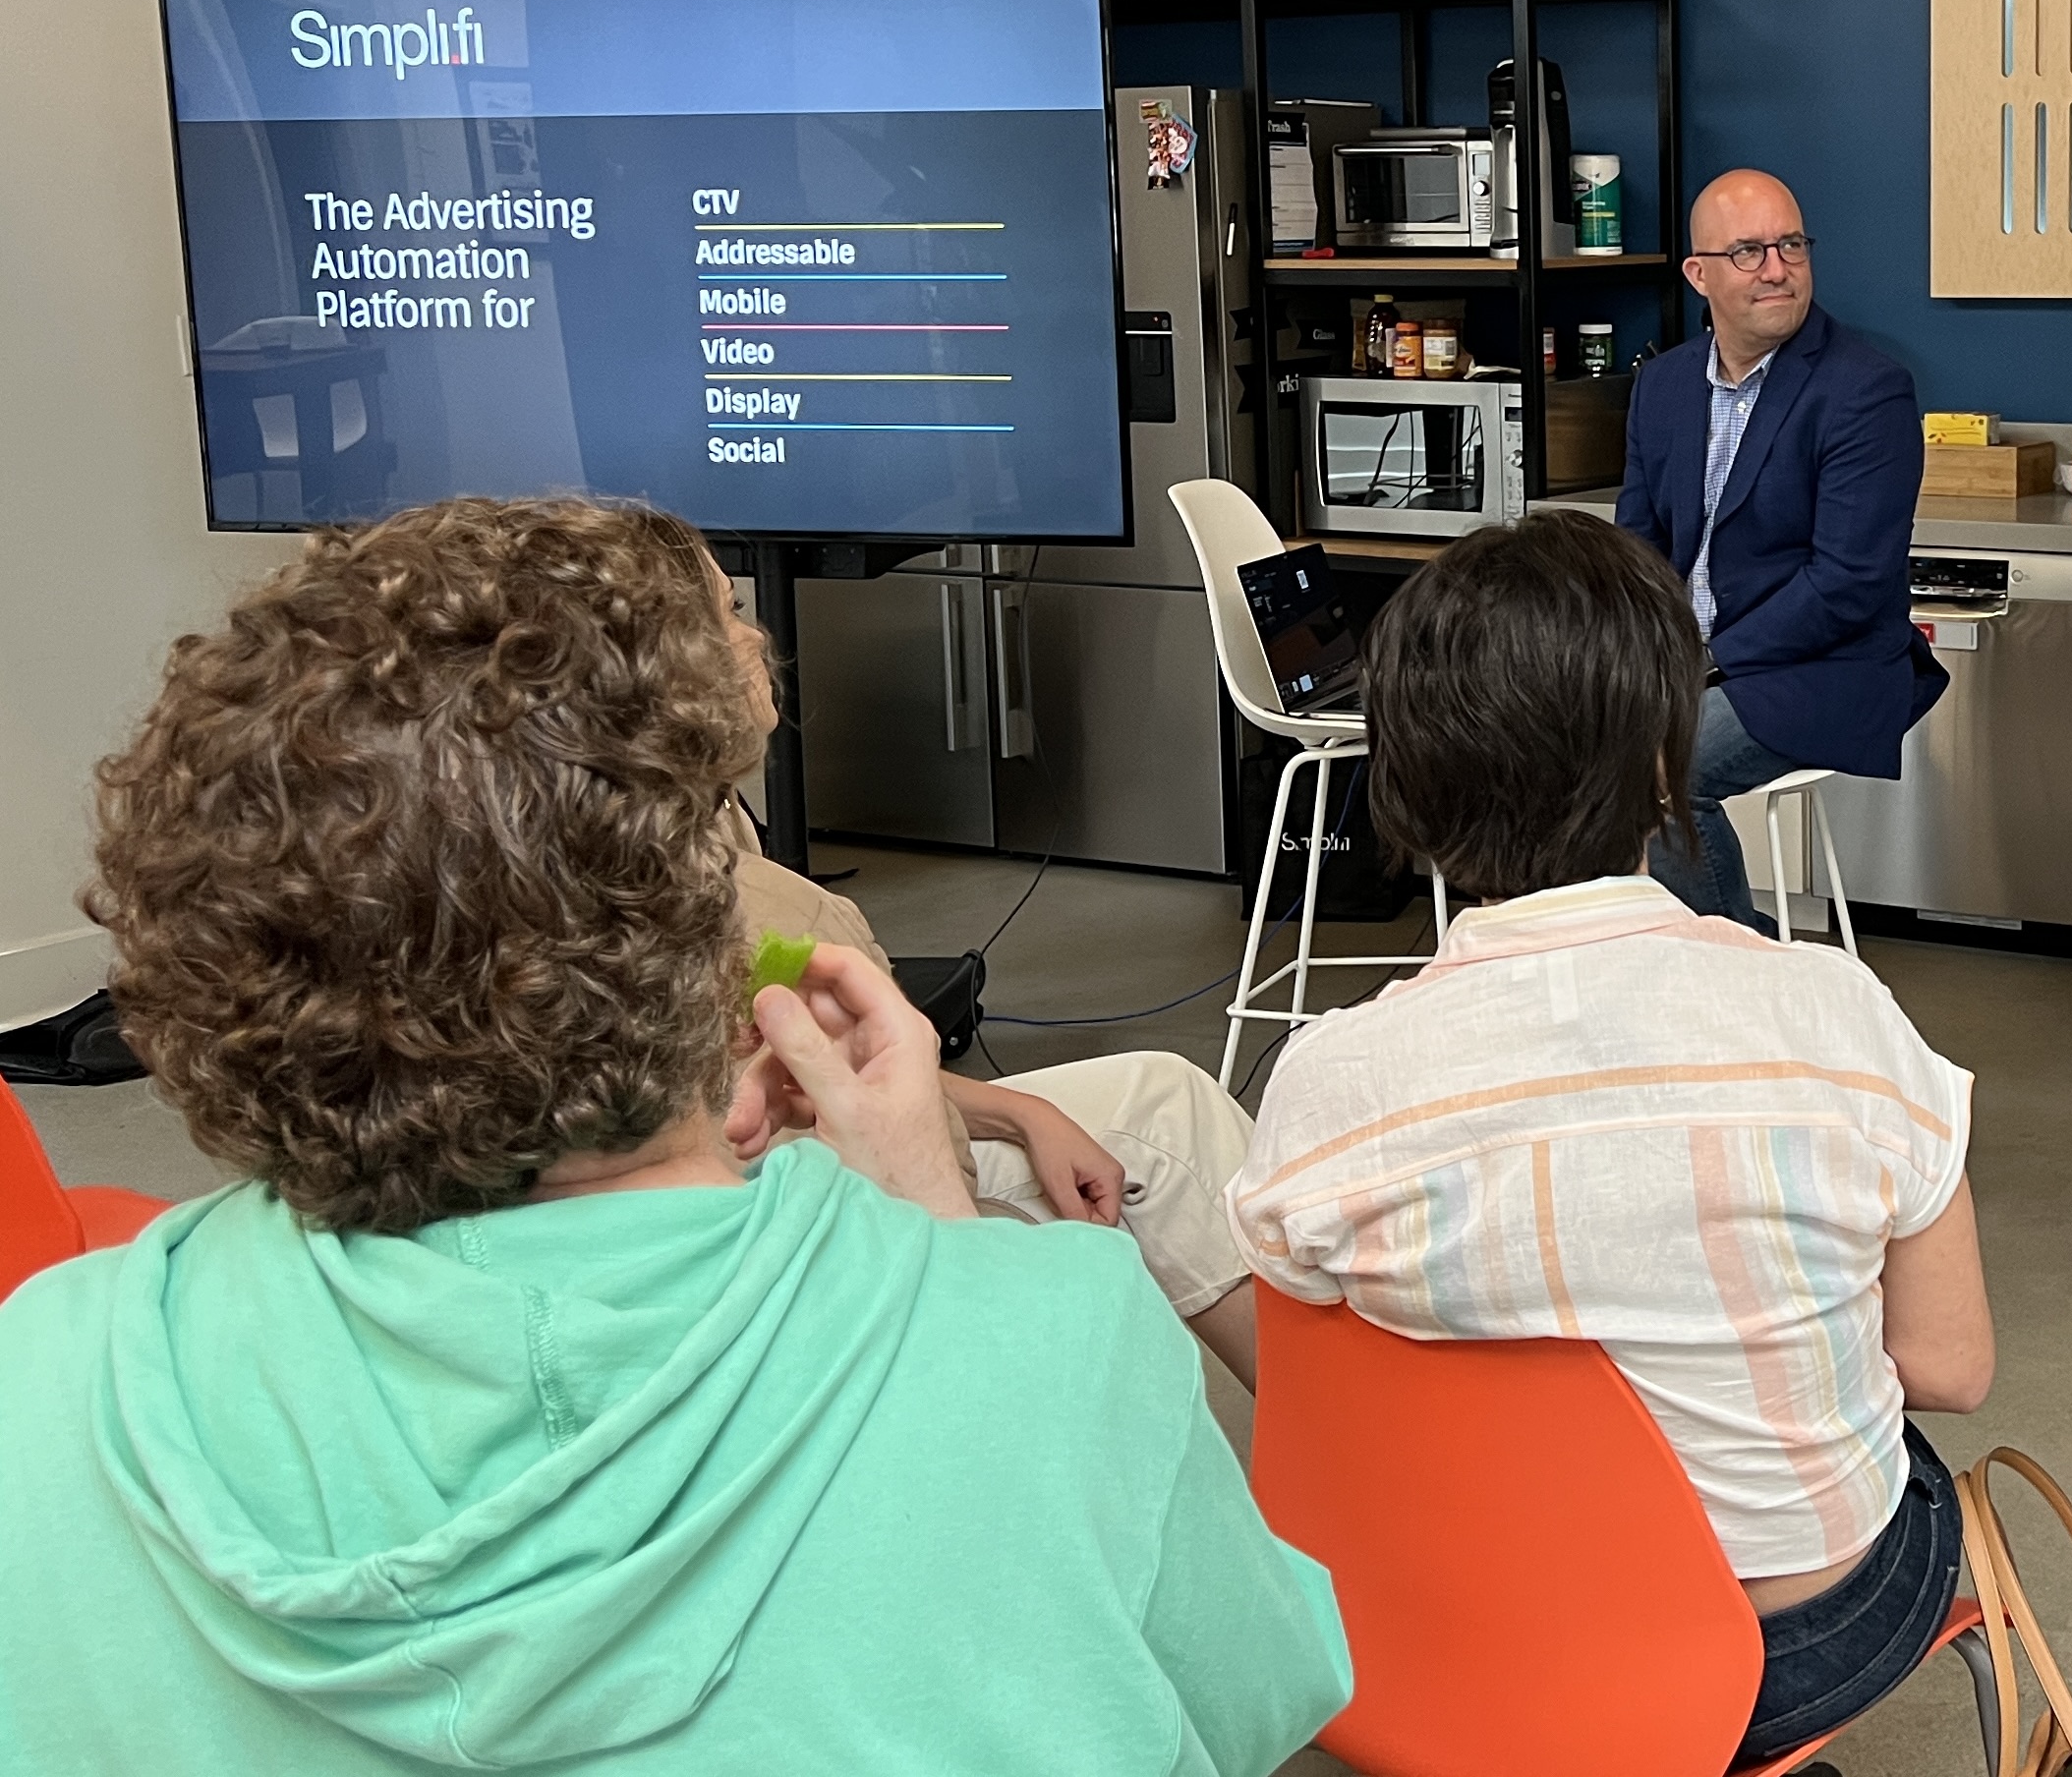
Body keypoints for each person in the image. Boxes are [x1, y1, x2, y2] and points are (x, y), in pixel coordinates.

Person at [0, 497, 1350, 1774]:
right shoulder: (1051, 1333)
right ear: (696, 925)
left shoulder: (46, 1366)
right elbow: (1256, 1695)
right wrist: (942, 1249)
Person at [1227, 514, 1993, 1763]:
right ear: (1662, 763)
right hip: (1780, 1655)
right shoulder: (1837, 1015)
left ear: (1408, 777)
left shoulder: (1327, 1078)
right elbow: (1951, 1367)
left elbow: (1315, 1368)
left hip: (1431, 1637)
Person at [703, 557, 1264, 1385]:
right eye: (727, 613)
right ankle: (1345, 1465)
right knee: (1086, 1220)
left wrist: (1017, 1108)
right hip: (811, 1225)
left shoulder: (707, 823)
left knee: (1164, 1102)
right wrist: (986, 1238)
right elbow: (860, 1152)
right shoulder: (774, 912)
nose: (757, 636)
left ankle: (1329, 1444)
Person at [1616, 168, 1943, 928]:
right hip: (1688, 658)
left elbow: (1847, 583)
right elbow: (1636, 546)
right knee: (1571, 743)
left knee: (1661, 774)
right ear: (1698, 273)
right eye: (1749, 250)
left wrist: (1701, 660)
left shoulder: (1865, 389)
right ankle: (1656, 970)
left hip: (1823, 665)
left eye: (1790, 244)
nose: (1776, 267)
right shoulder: (1661, 387)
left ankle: (1751, 984)